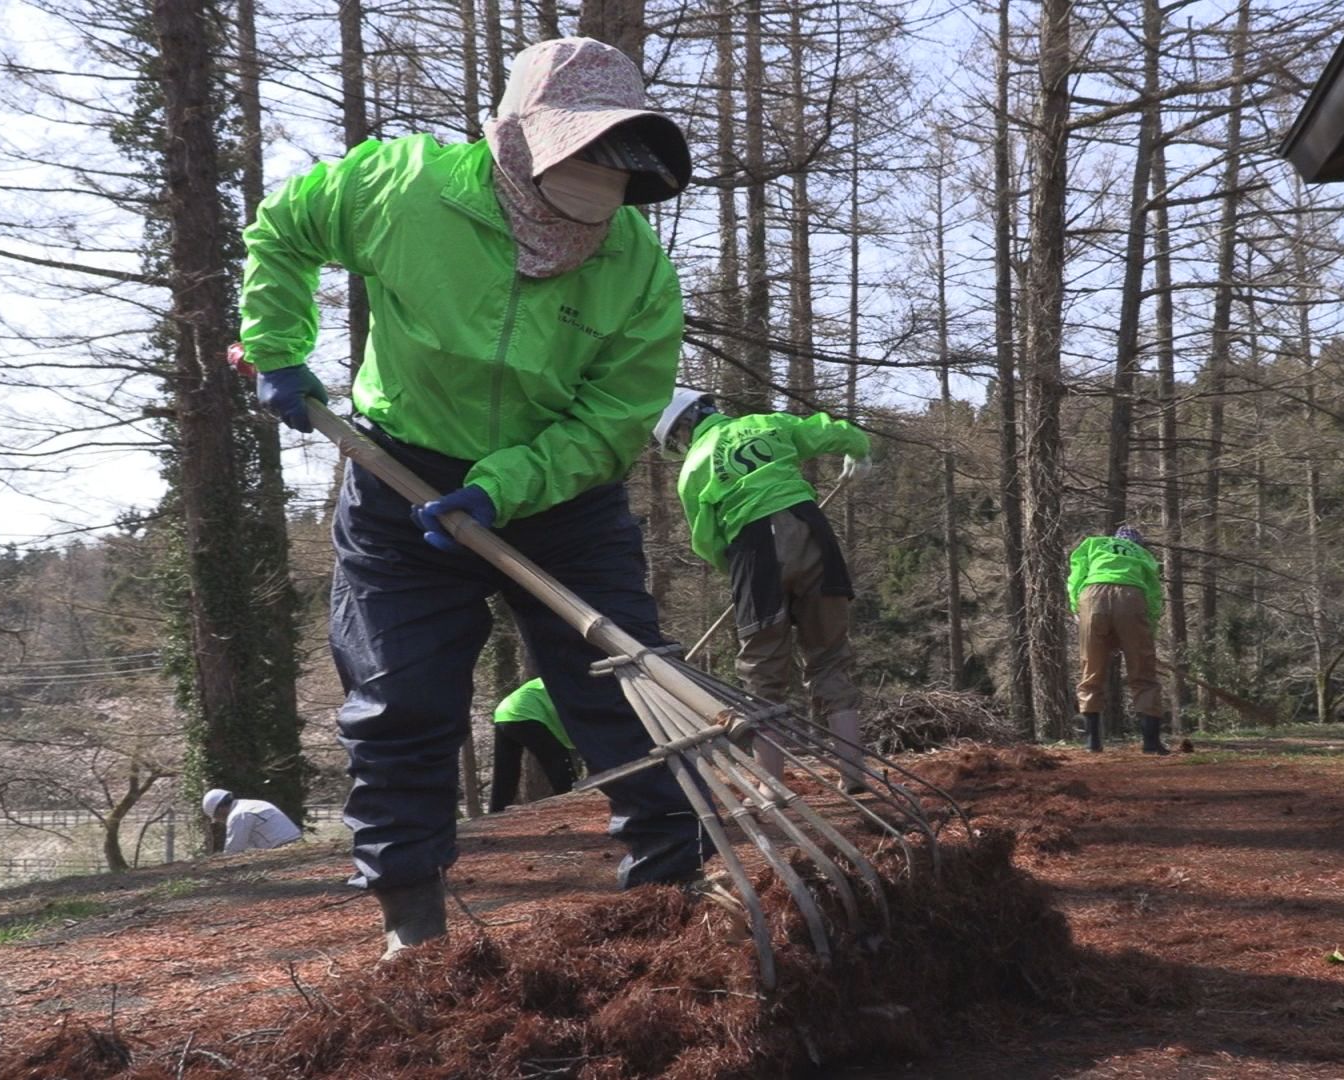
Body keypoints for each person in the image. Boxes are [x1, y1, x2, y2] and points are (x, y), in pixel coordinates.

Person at [237, 37, 709, 960]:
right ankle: (412, 926)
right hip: (395, 473)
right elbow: (285, 227)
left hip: (558, 497)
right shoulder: (405, 190)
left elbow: (614, 416)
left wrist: (504, 486)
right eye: (575, 165)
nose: (588, 215)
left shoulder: (638, 271)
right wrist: (279, 343)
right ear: (520, 144)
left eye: (614, 182)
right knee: (400, 699)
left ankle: (670, 906)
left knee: (627, 689)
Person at [656, 389, 873, 792]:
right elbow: (833, 431)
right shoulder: (767, 424)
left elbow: (706, 541)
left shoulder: (693, 469)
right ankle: (854, 774)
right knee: (830, 658)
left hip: (754, 555)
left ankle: (770, 787)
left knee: (762, 675)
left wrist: (739, 575)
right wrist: (857, 453)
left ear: (683, 430)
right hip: (813, 536)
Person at [1067, 526, 1169, 755]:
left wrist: (1076, 606)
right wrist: (1147, 631)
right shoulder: (1143, 555)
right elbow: (1153, 595)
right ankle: (1151, 742)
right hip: (1131, 597)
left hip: (1092, 594)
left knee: (1090, 669)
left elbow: (1076, 573)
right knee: (1143, 673)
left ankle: (1092, 742)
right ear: (1137, 543)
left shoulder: (1094, 544)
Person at [489, 678, 583, 812]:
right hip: (526, 713)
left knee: (506, 768)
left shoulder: (552, 679)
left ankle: (496, 809)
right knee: (557, 759)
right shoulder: (573, 685)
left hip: (503, 713)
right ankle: (571, 800)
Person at [202, 789, 303, 854]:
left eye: (216, 817)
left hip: (284, 849)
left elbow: (233, 850)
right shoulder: (248, 805)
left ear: (220, 811)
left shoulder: (239, 815)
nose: (220, 821)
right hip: (296, 844)